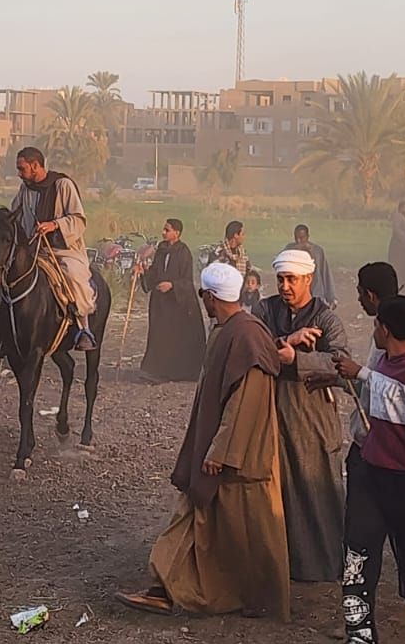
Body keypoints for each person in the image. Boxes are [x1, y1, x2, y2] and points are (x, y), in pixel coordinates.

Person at [114, 262, 289, 619]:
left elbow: (245, 403)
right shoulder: (228, 331)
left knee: (248, 528)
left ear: (211, 297)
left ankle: (258, 597)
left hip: (239, 457)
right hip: (221, 450)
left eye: (203, 295)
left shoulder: (246, 337)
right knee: (197, 514)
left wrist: (219, 452)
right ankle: (165, 588)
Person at [320, 296, 405, 644]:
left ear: (385, 330)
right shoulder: (386, 365)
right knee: (356, 562)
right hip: (371, 479)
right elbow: (381, 389)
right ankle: (360, 643)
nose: (373, 331)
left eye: (376, 325)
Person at [254, 248, 350, 582]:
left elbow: (341, 364)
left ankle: (324, 565)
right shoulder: (264, 310)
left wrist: (296, 359)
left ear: (308, 278)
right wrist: (285, 341)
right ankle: (281, 564)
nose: (284, 286)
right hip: (270, 411)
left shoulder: (326, 319)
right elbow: (249, 347)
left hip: (313, 416)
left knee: (317, 488)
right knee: (276, 490)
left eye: (291, 279)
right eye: (280, 279)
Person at [10, 147, 97, 351]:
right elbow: (14, 215)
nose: (19, 174)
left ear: (35, 165)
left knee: (75, 277)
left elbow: (78, 219)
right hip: (34, 250)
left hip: (63, 250)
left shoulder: (63, 185)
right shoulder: (25, 189)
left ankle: (84, 329)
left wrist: (54, 225)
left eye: (22, 169)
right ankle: (0, 333)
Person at [139, 218, 206, 383]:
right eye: (164, 229)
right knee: (158, 335)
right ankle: (155, 371)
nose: (163, 232)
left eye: (167, 230)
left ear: (177, 233)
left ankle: (176, 372)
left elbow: (187, 280)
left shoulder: (184, 252)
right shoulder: (161, 250)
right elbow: (155, 272)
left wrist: (172, 285)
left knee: (174, 337)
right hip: (160, 303)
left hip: (177, 303)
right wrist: (143, 272)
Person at [287, 225, 336, 308]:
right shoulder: (290, 250)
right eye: (296, 238)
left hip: (316, 293)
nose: (298, 241)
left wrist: (331, 297)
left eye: (301, 238)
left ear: (307, 237)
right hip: (298, 294)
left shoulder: (317, 251)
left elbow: (325, 273)